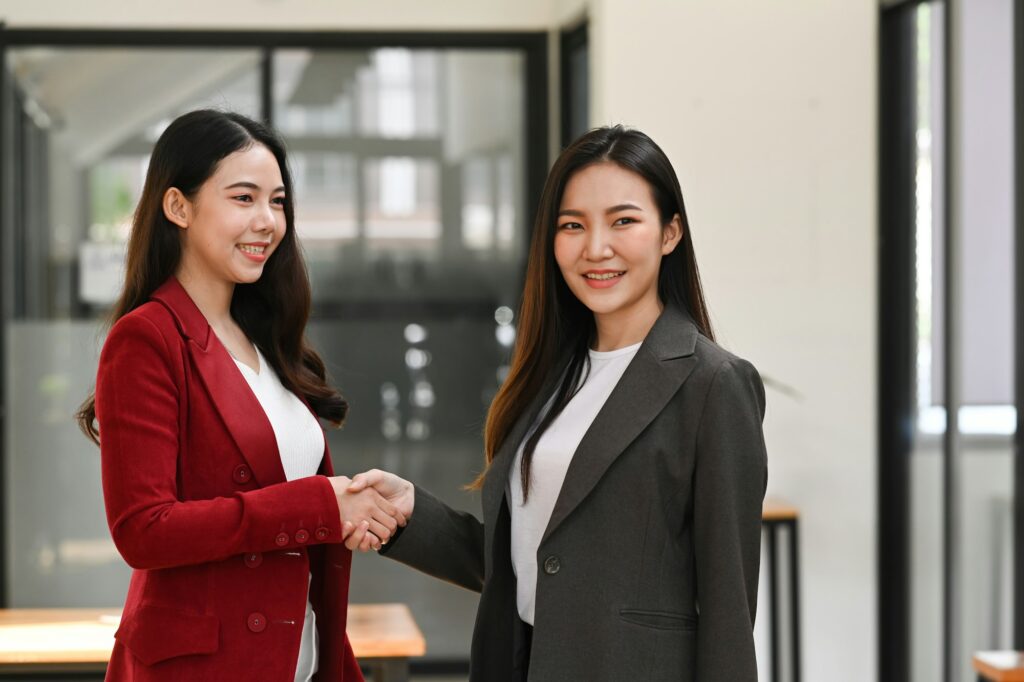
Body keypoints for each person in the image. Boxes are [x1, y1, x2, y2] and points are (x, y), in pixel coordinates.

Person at [346, 125, 768, 681]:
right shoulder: (552, 375)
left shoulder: (713, 384)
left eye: (623, 221)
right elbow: (533, 564)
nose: (596, 248)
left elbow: (728, 614)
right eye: (573, 226)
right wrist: (411, 516)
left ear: (670, 233)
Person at [76, 109, 403, 682]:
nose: (267, 221)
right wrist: (320, 506)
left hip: (294, 659)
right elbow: (144, 529)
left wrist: (348, 506)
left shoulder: (263, 336)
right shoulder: (148, 338)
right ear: (178, 207)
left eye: (277, 202)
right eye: (243, 198)